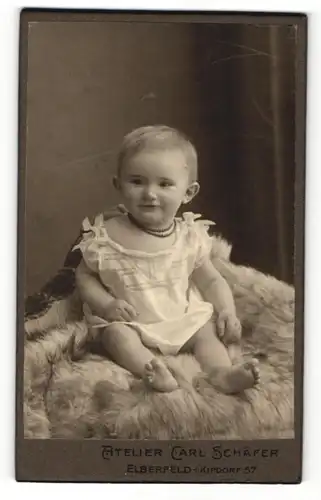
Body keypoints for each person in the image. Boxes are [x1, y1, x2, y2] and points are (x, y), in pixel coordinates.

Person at [74, 125, 260, 393]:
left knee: (205, 333)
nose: (150, 193)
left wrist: (227, 310)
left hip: (180, 319)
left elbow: (211, 281)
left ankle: (221, 374)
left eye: (164, 184)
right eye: (137, 181)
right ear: (118, 184)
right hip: (134, 323)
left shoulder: (188, 238)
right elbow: (84, 275)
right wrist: (106, 305)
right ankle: (153, 370)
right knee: (116, 336)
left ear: (188, 193)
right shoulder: (106, 237)